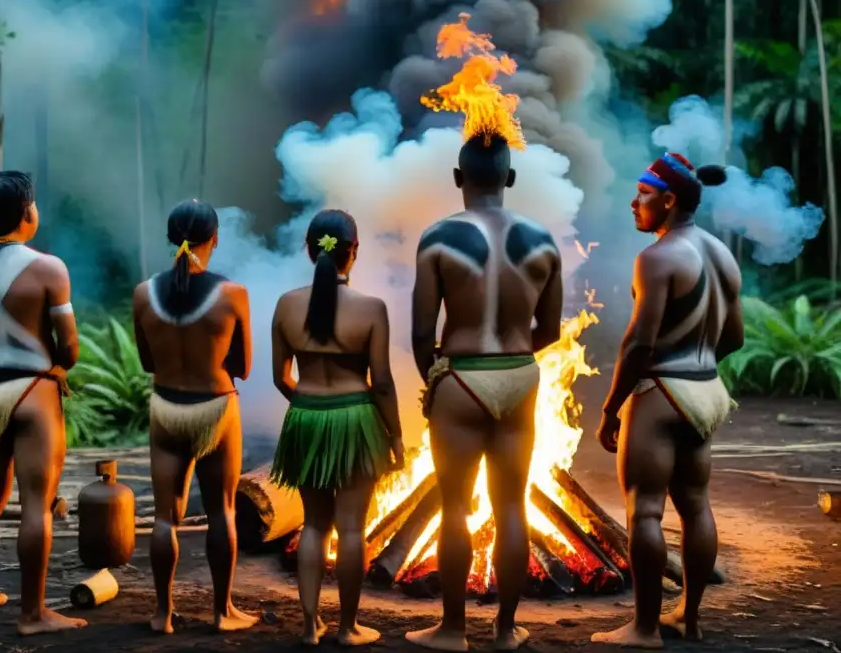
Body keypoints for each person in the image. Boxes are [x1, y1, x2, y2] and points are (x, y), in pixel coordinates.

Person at [405, 131, 563, 653]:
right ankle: (504, 629)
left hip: (462, 374)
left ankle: (453, 630)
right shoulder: (543, 241)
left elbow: (421, 333)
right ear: (510, 179)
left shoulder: (438, 238)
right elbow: (551, 331)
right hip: (519, 372)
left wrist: (437, 378)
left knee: (454, 508)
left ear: (458, 179)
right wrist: (514, 358)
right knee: (512, 505)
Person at [592, 153, 740, 649]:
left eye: (644, 194)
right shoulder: (721, 254)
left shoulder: (656, 258)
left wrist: (612, 408)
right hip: (705, 391)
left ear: (670, 200)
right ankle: (689, 618)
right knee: (696, 505)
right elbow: (734, 337)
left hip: (660, 393)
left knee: (645, 512)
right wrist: (695, 362)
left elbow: (638, 343)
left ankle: (644, 628)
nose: (634, 203)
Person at [0, 171, 85, 636]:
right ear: (27, 213)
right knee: (35, 506)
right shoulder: (48, 268)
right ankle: (33, 613)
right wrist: (55, 363)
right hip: (31, 392)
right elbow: (69, 349)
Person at [269, 209, 404, 647]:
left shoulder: (287, 305)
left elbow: (280, 377)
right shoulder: (371, 309)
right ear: (355, 251)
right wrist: (395, 435)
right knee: (350, 530)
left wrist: (308, 407)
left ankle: (309, 626)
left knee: (312, 525)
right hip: (356, 418)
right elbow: (381, 382)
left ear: (309, 250)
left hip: (305, 416)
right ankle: (348, 627)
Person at [132, 199, 256, 635]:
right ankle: (223, 612)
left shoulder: (144, 293)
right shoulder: (232, 294)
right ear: (214, 240)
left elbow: (148, 363)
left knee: (166, 515)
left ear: (171, 238)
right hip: (215, 408)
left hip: (166, 408)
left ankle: (162, 614)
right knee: (222, 512)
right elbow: (242, 367)